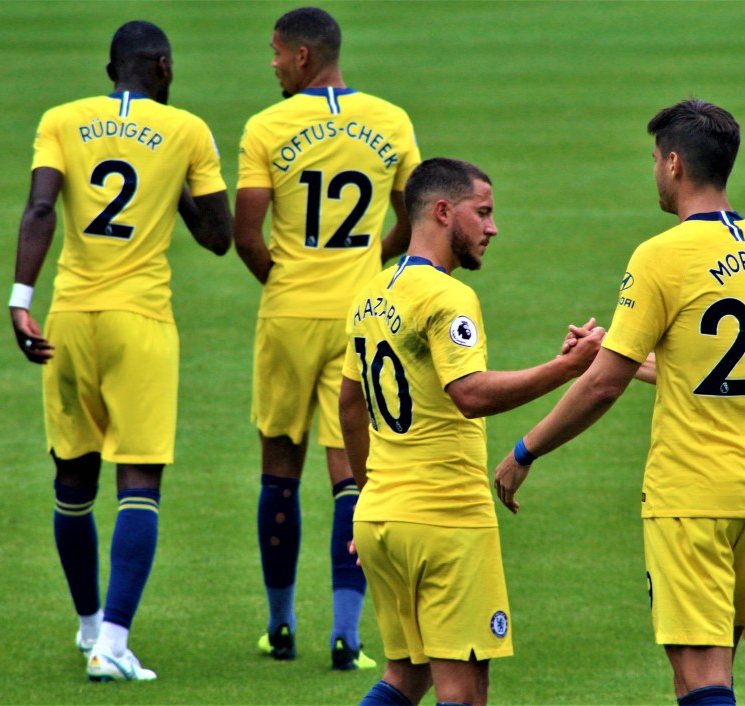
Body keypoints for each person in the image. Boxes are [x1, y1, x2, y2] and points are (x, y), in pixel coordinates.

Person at [495, 99, 745, 706]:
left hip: (692, 494)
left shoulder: (662, 255)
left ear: (675, 163)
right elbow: (710, 370)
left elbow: (601, 386)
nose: (654, 170)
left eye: (656, 159)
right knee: (717, 670)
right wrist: (621, 350)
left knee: (699, 677)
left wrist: (525, 450)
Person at [9, 20, 233, 682]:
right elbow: (219, 237)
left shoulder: (61, 120)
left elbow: (40, 210)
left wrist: (20, 300)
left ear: (112, 71)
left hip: (69, 318)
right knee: (139, 481)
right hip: (140, 324)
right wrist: (173, 182)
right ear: (162, 67)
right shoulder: (187, 130)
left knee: (72, 480)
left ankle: (87, 625)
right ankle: (111, 643)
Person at [339, 157, 605, 706]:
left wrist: (372, 499)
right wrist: (566, 368)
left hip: (382, 518)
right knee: (464, 688)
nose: (493, 227)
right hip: (446, 519)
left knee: (405, 676)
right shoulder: (448, 297)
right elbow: (471, 394)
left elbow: (348, 405)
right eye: (482, 212)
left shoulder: (372, 293)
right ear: (443, 211)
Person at [233, 6, 421, 670]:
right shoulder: (391, 121)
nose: (273, 63)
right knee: (353, 473)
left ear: (303, 56)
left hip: (288, 314)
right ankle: (347, 636)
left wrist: (284, 282)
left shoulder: (266, 126)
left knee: (279, 469)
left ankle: (280, 627)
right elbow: (414, 218)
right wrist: (371, 264)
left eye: (276, 53)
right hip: (360, 316)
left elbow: (246, 235)